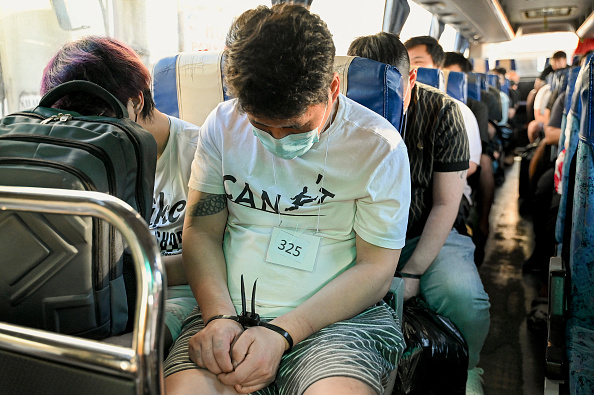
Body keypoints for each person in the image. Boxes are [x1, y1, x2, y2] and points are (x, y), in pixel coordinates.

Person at [165, 5, 411, 395]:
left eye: (295, 127)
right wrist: (218, 317)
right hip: (227, 311)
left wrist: (283, 332)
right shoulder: (222, 125)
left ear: (332, 89)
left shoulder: (377, 147)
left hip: (337, 325)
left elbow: (375, 268)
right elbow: (202, 230)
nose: (278, 141)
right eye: (261, 126)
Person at [348, 32, 490, 395]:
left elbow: (446, 203)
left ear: (411, 79)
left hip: (422, 232)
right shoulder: (339, 112)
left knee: (462, 298)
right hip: (353, 236)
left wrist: (411, 271)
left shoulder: (443, 113)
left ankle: (465, 368)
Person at [40, 36, 200, 352]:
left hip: (174, 293)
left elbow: (212, 255)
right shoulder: (78, 161)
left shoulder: (198, 154)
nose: (93, 137)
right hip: (102, 295)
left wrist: (122, 278)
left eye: (105, 123)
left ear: (137, 102)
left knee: (118, 352)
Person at [443, 51, 495, 266]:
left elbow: (479, 147)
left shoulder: (474, 107)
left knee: (484, 162)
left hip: (471, 157)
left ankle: (483, 219)